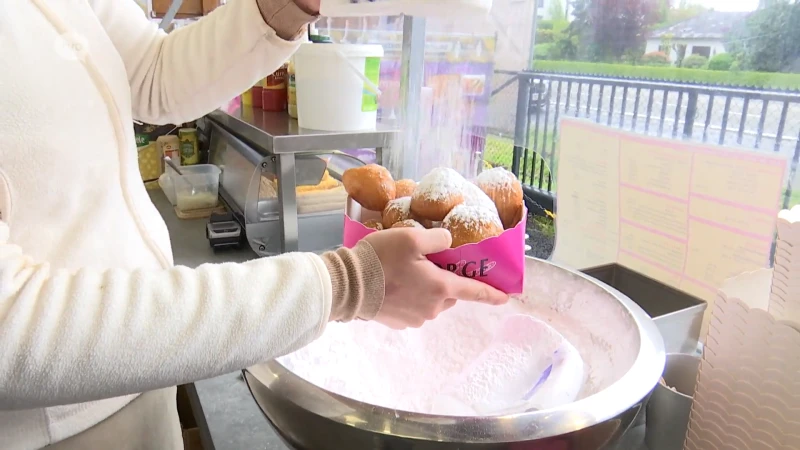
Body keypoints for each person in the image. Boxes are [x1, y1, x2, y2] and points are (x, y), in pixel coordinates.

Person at [0, 0, 509, 448]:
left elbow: (151, 74)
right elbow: (11, 328)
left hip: (139, 368)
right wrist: (348, 283)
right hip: (50, 421)